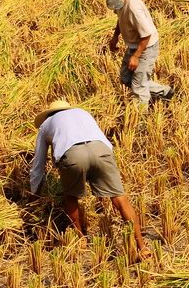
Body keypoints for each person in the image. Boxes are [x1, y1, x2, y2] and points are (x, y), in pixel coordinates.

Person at [30, 100, 147, 255]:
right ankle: (142, 247)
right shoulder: (83, 113)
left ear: (49, 114)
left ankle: (81, 238)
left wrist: (35, 192)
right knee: (120, 199)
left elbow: (38, 163)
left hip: (73, 154)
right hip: (101, 150)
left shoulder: (46, 124)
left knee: (70, 197)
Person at [102, 0, 173, 106]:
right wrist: (115, 37)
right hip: (135, 44)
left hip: (146, 47)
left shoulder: (134, 8)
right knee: (126, 78)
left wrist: (136, 56)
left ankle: (140, 121)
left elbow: (147, 35)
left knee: (138, 87)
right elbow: (121, 18)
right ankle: (165, 92)